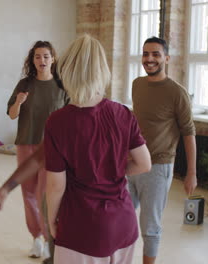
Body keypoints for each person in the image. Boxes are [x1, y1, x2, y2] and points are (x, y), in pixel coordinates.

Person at [44, 34, 152, 264]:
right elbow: (144, 163)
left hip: (81, 229)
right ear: (102, 70)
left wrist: (51, 220)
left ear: (67, 71)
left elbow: (55, 185)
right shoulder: (123, 113)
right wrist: (111, 168)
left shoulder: (57, 122)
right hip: (124, 223)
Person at [128, 37, 197, 264]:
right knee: (121, 218)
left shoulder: (177, 93)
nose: (149, 59)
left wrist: (191, 173)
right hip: (131, 164)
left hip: (158, 168)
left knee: (150, 227)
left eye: (156, 54)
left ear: (166, 58)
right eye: (146, 54)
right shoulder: (137, 84)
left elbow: (188, 132)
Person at [6, 40, 68, 259]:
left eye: (46, 56)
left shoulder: (62, 85)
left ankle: (48, 236)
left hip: (52, 148)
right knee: (28, 193)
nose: (42, 60)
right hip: (26, 144)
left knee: (45, 194)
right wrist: (19, 102)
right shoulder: (25, 85)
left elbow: (71, 117)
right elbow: (12, 114)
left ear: (53, 59)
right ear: (32, 60)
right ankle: (36, 238)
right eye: (38, 56)